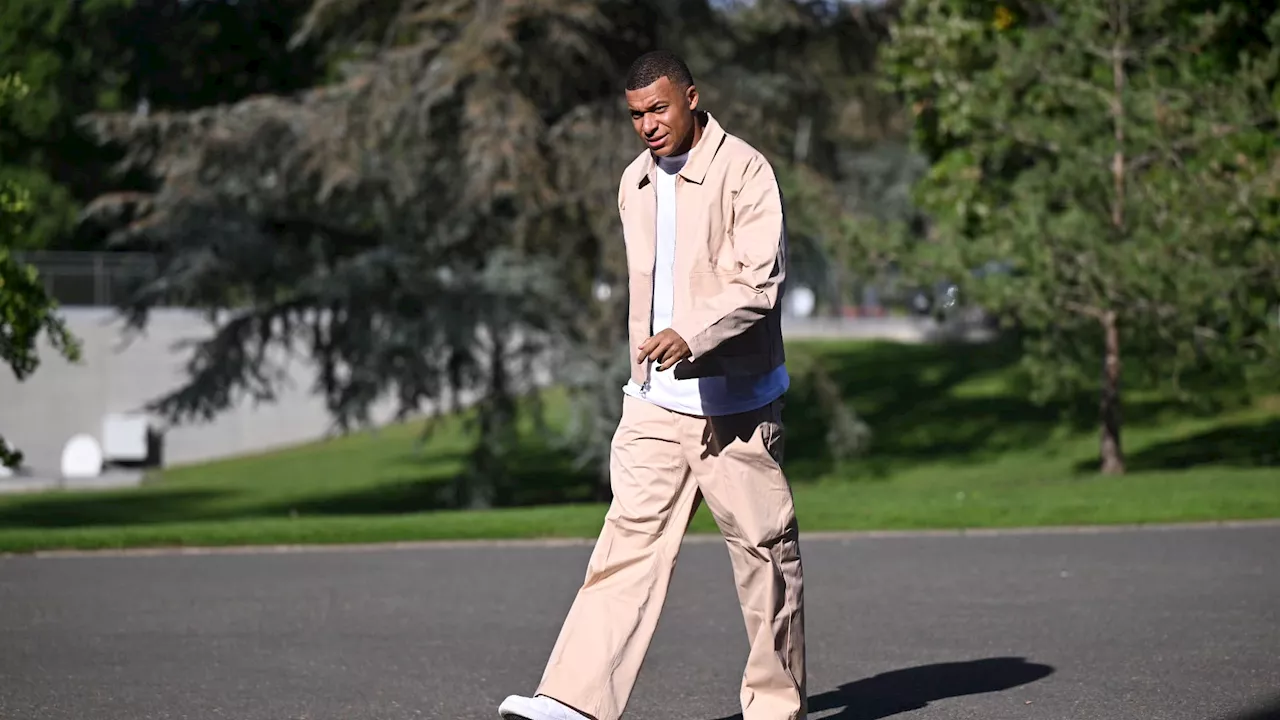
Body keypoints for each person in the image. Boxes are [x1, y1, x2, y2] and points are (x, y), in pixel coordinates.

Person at [498, 49, 805, 720]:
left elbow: (759, 282)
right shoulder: (634, 182)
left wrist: (692, 334)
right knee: (624, 552)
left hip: (739, 408)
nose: (648, 125)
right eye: (636, 114)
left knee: (765, 563)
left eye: (658, 108)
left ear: (691, 98)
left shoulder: (746, 171)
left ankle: (775, 710)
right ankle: (573, 703)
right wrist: (643, 374)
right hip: (655, 407)